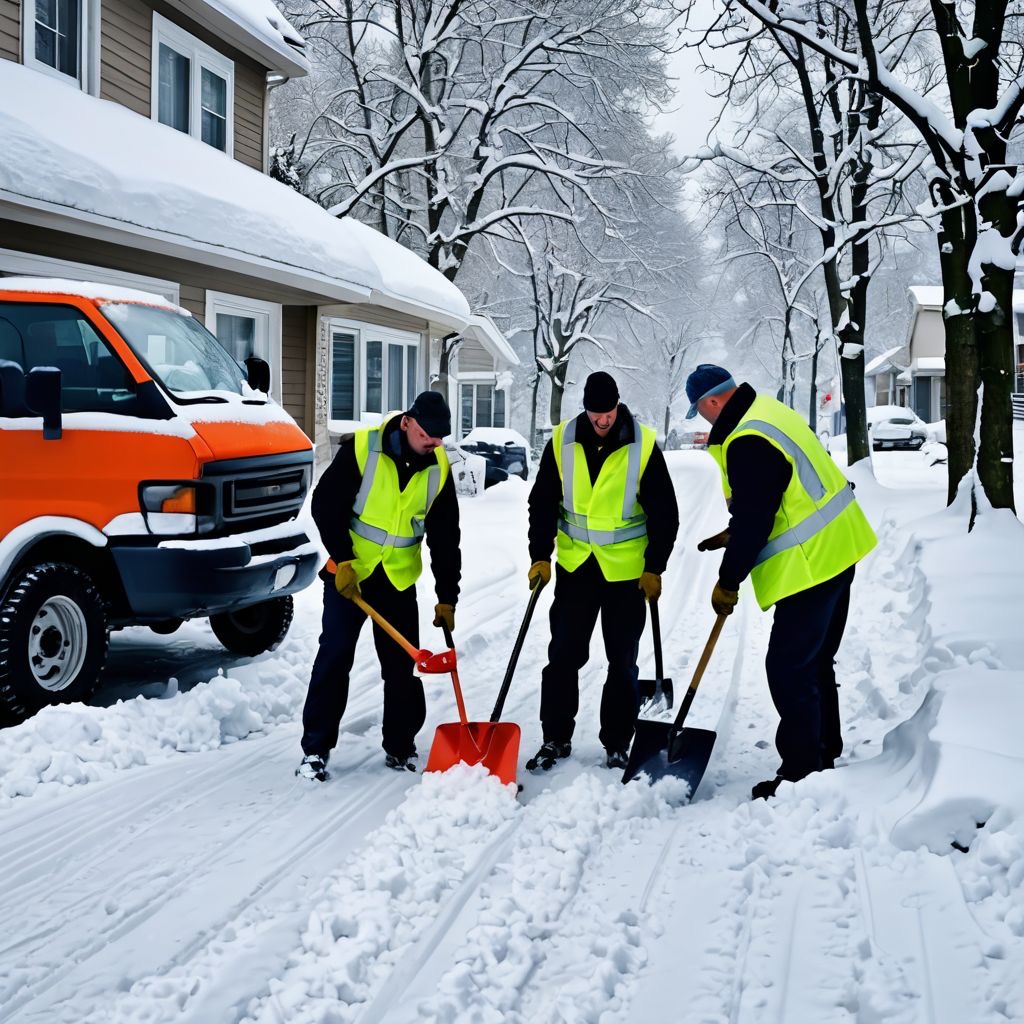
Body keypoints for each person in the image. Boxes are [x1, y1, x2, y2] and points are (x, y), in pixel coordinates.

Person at [686, 364, 877, 799]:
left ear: (712, 402)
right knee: (814, 662)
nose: (705, 421)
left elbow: (757, 518)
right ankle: (822, 754)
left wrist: (729, 579)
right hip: (839, 547)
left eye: (700, 412)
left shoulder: (747, 438)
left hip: (811, 563)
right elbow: (776, 492)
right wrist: (736, 531)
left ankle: (801, 773)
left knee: (789, 668)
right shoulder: (768, 412)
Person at [296, 391, 461, 781]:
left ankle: (400, 746)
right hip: (351, 576)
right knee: (334, 658)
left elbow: (445, 536)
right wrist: (343, 559)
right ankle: (315, 750)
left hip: (397, 579)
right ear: (406, 423)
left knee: (401, 667)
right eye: (426, 436)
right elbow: (325, 504)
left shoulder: (438, 466)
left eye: (439, 439)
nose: (433, 445)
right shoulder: (363, 449)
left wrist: (447, 596)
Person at [524, 371, 679, 771]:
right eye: (596, 414)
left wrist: (654, 566)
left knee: (622, 661)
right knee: (563, 656)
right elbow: (542, 502)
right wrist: (540, 554)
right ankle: (555, 737)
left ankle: (617, 742)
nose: (603, 420)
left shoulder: (643, 445)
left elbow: (665, 513)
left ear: (617, 406)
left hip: (626, 574)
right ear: (586, 409)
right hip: (576, 567)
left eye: (608, 413)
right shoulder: (562, 441)